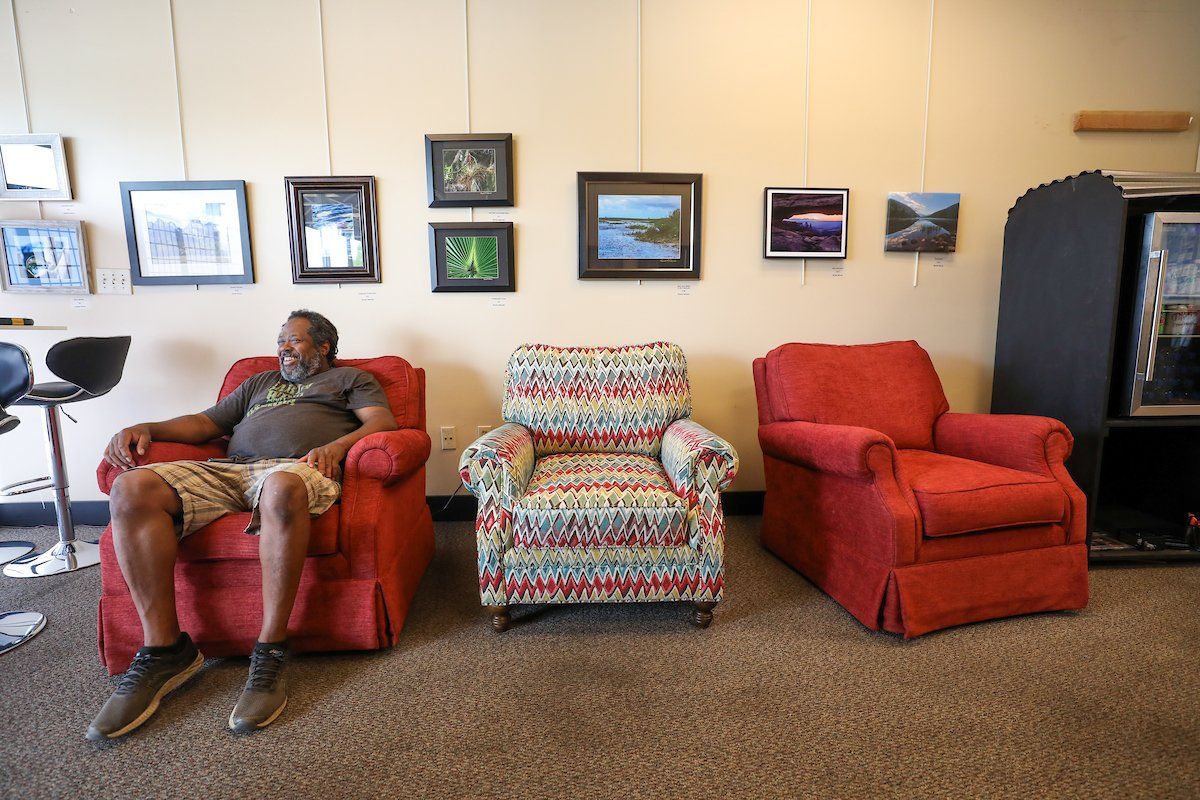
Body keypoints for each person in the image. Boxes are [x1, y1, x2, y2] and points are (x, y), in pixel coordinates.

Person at [87, 310, 396, 741]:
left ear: (324, 346)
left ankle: (271, 649)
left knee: (282, 487)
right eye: (280, 341)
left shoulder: (349, 379)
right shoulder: (258, 383)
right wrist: (146, 426)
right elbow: (205, 424)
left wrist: (337, 447)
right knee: (130, 488)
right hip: (231, 470)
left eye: (294, 340)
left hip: (297, 469)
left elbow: (381, 422)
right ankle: (164, 649)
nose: (283, 348)